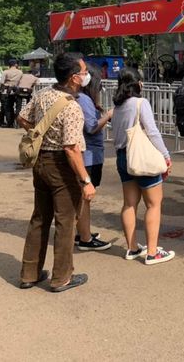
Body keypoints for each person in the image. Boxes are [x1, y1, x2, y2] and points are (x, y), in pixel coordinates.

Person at [17, 52, 93, 292]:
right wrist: (85, 181)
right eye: (83, 72)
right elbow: (71, 149)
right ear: (73, 78)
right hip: (62, 166)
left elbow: (22, 118)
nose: (85, 75)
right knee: (66, 222)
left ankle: (29, 273)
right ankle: (61, 277)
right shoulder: (72, 107)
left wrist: (41, 134)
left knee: (40, 217)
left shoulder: (42, 95)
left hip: (41, 163)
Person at [112, 67, 175, 264]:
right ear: (137, 83)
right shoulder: (140, 103)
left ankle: (131, 248)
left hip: (123, 157)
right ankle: (152, 252)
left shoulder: (117, 107)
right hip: (141, 158)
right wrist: (165, 155)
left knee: (129, 204)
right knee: (153, 204)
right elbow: (152, 131)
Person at [74, 64, 113, 251]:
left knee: (82, 198)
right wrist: (108, 115)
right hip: (89, 155)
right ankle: (85, 238)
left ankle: (82, 231)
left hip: (87, 154)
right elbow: (91, 127)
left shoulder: (81, 98)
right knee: (85, 198)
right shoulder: (83, 99)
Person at [0, 59, 23, 128]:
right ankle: (17, 122)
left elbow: (2, 82)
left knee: (8, 107)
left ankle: (9, 123)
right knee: (17, 107)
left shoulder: (5, 72)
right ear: (15, 65)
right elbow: (21, 81)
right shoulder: (20, 72)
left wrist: (1, 91)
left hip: (7, 91)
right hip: (16, 91)